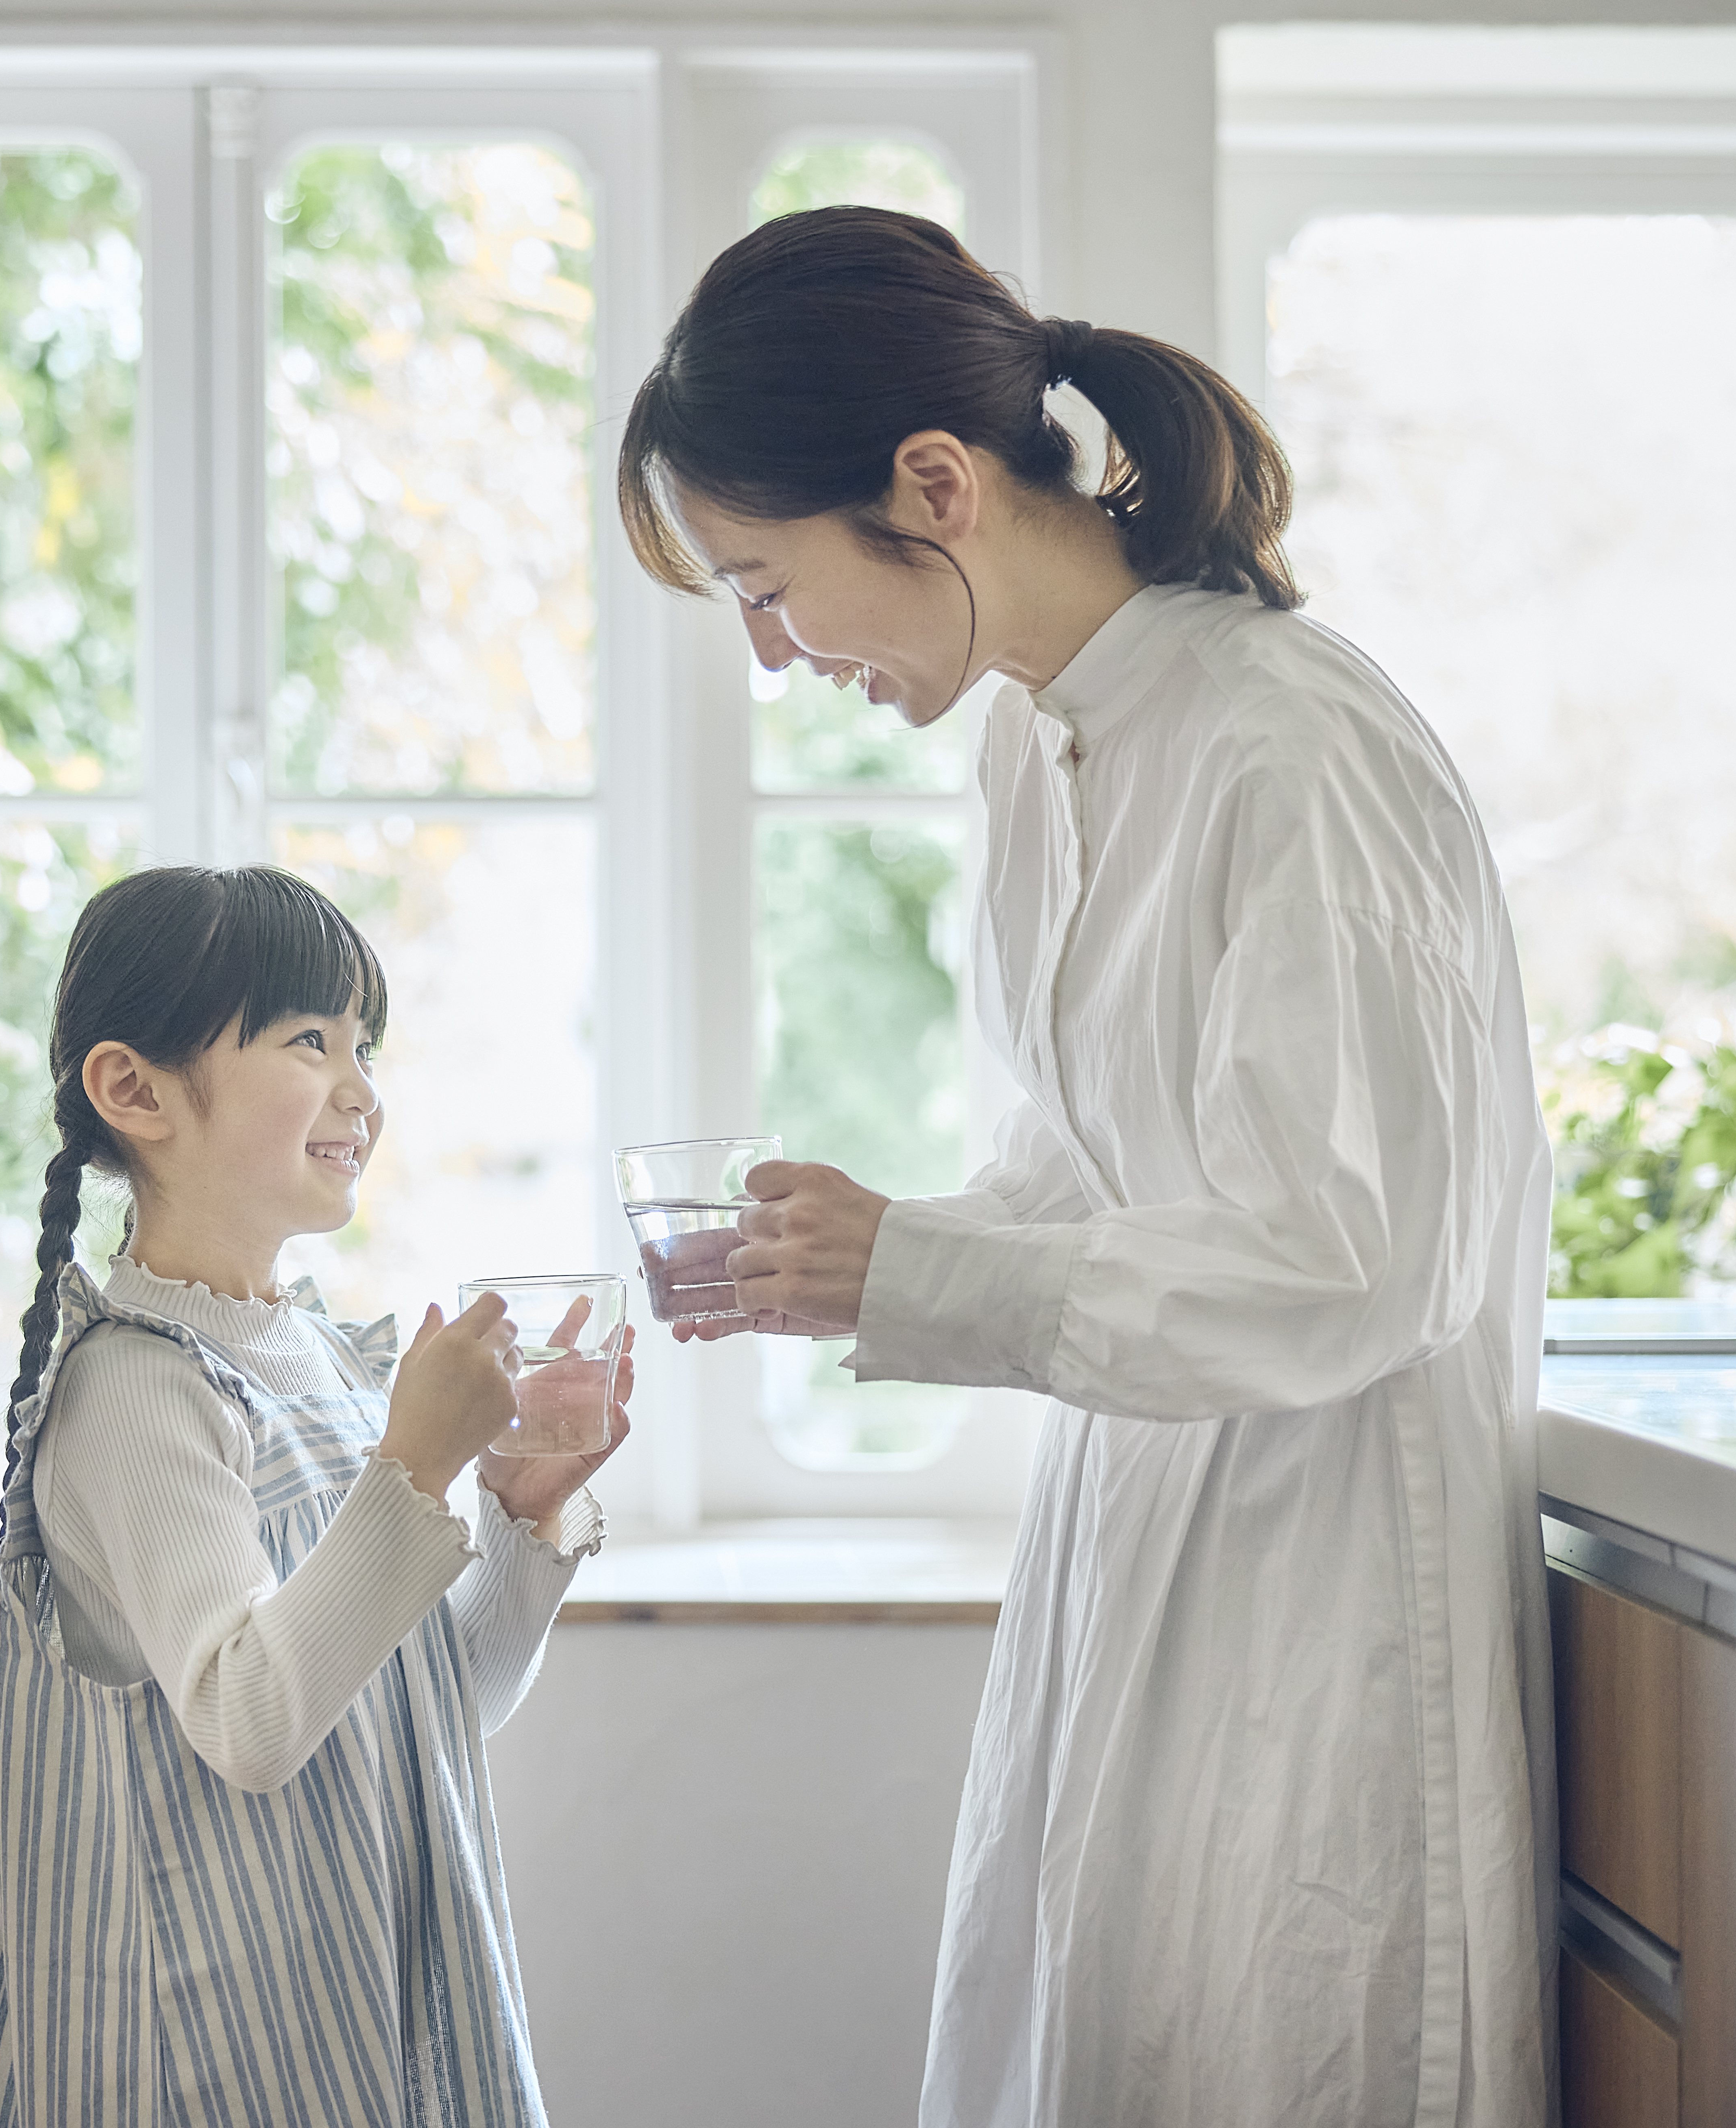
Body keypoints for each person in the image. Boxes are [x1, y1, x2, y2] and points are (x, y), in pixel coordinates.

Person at [617, 207, 1553, 2128]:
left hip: (1316, 1595)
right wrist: (857, 1256)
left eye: (766, 587)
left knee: (1274, 2033)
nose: (778, 658)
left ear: (936, 487)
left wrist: (927, 1276)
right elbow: (1088, 1177)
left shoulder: (1294, 745)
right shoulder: (1041, 756)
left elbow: (1345, 1259)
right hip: (1141, 1547)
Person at [0, 863, 631, 2128]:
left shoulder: (320, 1357)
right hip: (214, 2041)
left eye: (363, 1046)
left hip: (361, 1983)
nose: (362, 1092)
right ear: (132, 1089)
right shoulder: (139, 1390)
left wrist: (519, 1522)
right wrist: (415, 1471)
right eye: (311, 1042)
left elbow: (429, 1702)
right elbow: (250, 1722)